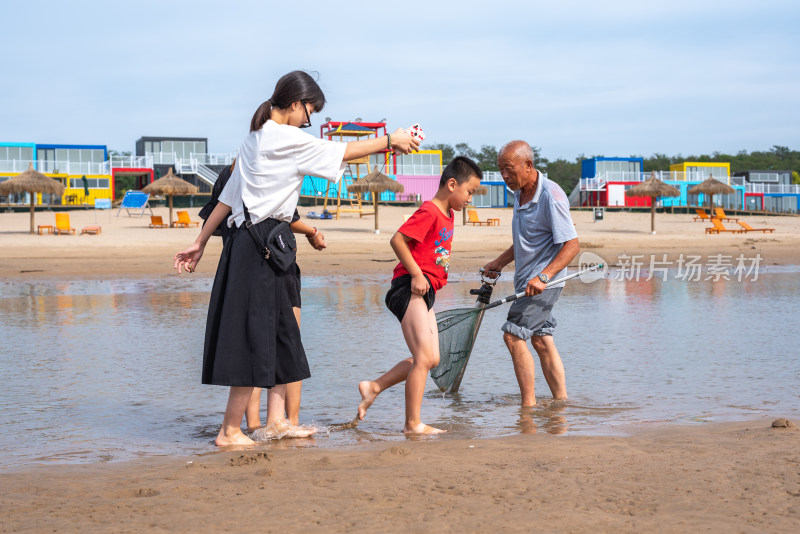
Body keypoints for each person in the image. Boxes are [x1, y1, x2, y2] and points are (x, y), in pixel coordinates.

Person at [174, 70, 419, 446]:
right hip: (259, 251)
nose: (310, 121)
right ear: (294, 104)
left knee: (282, 336)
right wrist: (391, 140)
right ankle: (229, 431)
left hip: (259, 248)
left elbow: (227, 199)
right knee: (254, 338)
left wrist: (200, 242)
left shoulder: (253, 140)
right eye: (310, 112)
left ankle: (277, 423)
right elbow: (345, 151)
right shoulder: (281, 137)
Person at [357, 156, 483, 434]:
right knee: (424, 358)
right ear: (452, 184)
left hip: (425, 291)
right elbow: (398, 240)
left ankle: (374, 387)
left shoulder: (448, 215)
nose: (470, 199)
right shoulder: (429, 211)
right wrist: (415, 273)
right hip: (409, 287)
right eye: (469, 192)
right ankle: (412, 424)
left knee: (431, 359)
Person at [482, 140, 579, 407]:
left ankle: (528, 408)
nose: (504, 176)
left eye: (509, 169)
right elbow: (526, 239)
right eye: (501, 169)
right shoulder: (519, 192)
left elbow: (572, 245)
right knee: (541, 338)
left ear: (528, 165)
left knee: (513, 336)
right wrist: (499, 262)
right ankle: (561, 403)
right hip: (527, 281)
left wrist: (544, 276)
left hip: (544, 282)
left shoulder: (551, 196)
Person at [244, 209, 324, 432]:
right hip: (278, 261)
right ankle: (291, 421)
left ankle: (252, 425)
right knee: (289, 346)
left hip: (243, 263)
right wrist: (313, 231)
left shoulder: (228, 180)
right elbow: (289, 217)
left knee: (254, 348)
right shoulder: (274, 176)